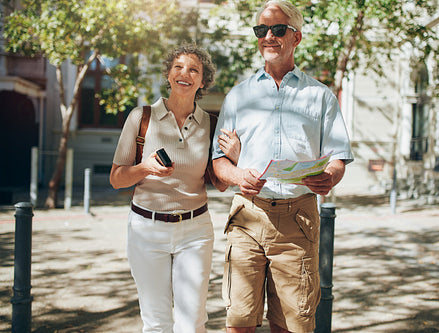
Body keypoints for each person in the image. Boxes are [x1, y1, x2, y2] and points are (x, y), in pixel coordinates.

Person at [211, 1, 354, 332]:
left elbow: (338, 156)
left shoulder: (321, 97)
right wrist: (236, 175)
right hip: (247, 214)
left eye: (278, 30)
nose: (269, 37)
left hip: (298, 219)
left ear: (297, 38)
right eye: (262, 30)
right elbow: (218, 162)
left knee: (292, 325)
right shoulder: (237, 97)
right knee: (239, 321)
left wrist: (330, 176)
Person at [109, 44, 239, 333]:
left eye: (194, 70)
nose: (185, 74)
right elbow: (117, 178)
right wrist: (146, 168)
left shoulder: (211, 124)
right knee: (156, 321)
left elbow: (220, 183)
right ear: (168, 74)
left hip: (195, 232)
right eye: (178, 67)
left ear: (203, 82)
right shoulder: (141, 118)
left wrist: (236, 158)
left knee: (192, 323)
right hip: (146, 229)